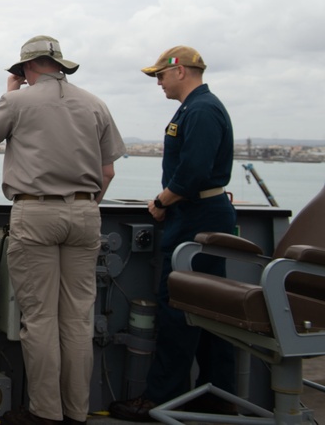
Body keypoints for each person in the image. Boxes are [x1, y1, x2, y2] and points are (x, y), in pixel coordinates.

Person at [0, 35, 125, 425]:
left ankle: (46, 413)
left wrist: (9, 93)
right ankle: (77, 412)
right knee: (76, 319)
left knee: (40, 319)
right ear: (60, 65)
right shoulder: (94, 104)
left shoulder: (17, 100)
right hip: (85, 214)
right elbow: (107, 171)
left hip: (36, 213)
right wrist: (87, 206)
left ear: (26, 68)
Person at [109, 45, 236, 422]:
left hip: (196, 216)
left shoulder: (201, 110)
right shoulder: (196, 108)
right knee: (208, 308)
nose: (158, 83)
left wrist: (162, 201)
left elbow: (194, 170)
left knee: (179, 308)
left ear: (180, 71)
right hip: (201, 214)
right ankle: (217, 395)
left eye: (161, 75)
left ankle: (161, 399)